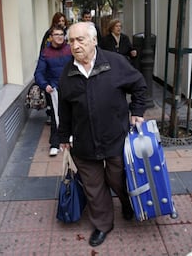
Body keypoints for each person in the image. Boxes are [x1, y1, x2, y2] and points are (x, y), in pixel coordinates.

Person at [58, 22, 147, 247]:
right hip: (84, 143)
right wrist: (62, 138)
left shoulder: (115, 63)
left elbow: (139, 85)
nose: (75, 45)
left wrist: (137, 111)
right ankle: (102, 225)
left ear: (94, 40)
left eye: (80, 40)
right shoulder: (67, 74)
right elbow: (64, 110)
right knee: (94, 186)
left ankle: (127, 203)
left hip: (115, 138)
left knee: (117, 179)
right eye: (71, 41)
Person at [34, 26, 72, 156]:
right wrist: (45, 85)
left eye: (61, 34)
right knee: (56, 117)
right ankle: (55, 143)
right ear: (50, 37)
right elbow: (39, 73)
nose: (59, 37)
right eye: (56, 34)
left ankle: (72, 138)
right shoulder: (46, 52)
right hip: (55, 89)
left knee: (75, 114)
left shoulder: (70, 49)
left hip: (71, 87)